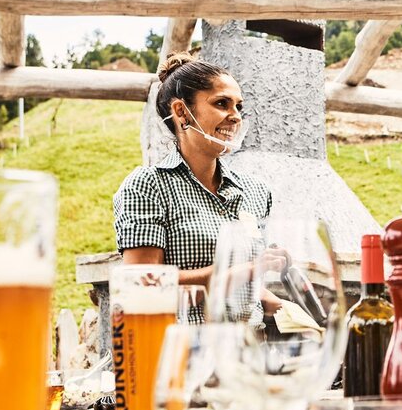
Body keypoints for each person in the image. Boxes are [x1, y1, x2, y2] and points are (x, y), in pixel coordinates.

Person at [113, 53, 279, 314]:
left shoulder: (256, 191)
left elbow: (249, 291)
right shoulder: (148, 185)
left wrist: (300, 314)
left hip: (248, 341)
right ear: (181, 111)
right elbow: (143, 289)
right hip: (181, 340)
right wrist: (243, 270)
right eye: (222, 103)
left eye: (239, 107)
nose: (236, 116)